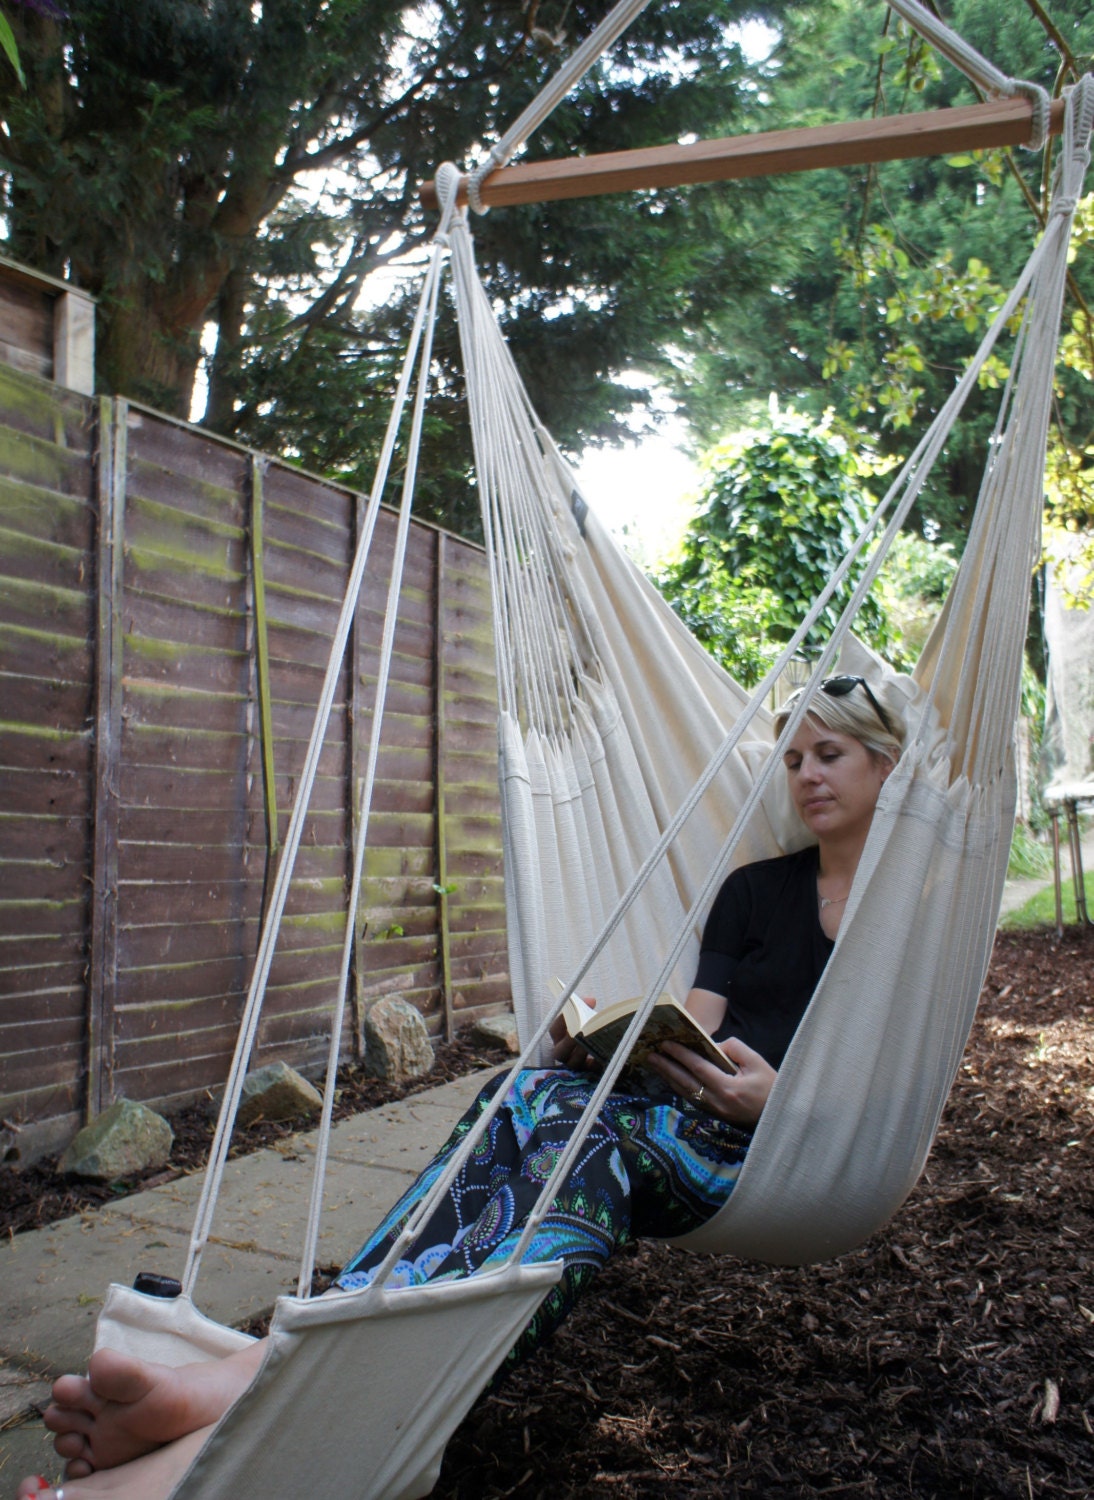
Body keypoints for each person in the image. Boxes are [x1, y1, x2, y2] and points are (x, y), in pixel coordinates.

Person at [15, 674, 905, 1500]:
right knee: (523, 1096)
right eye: (792, 759)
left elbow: (885, 1087)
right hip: (684, 1112)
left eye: (828, 755)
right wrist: (597, 1048)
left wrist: (779, 1100)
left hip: (770, 1151)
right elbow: (698, 1025)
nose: (805, 776)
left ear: (885, 764)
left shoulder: (904, 919)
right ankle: (283, 1384)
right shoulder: (753, 891)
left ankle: (250, 1386)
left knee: (582, 1146)